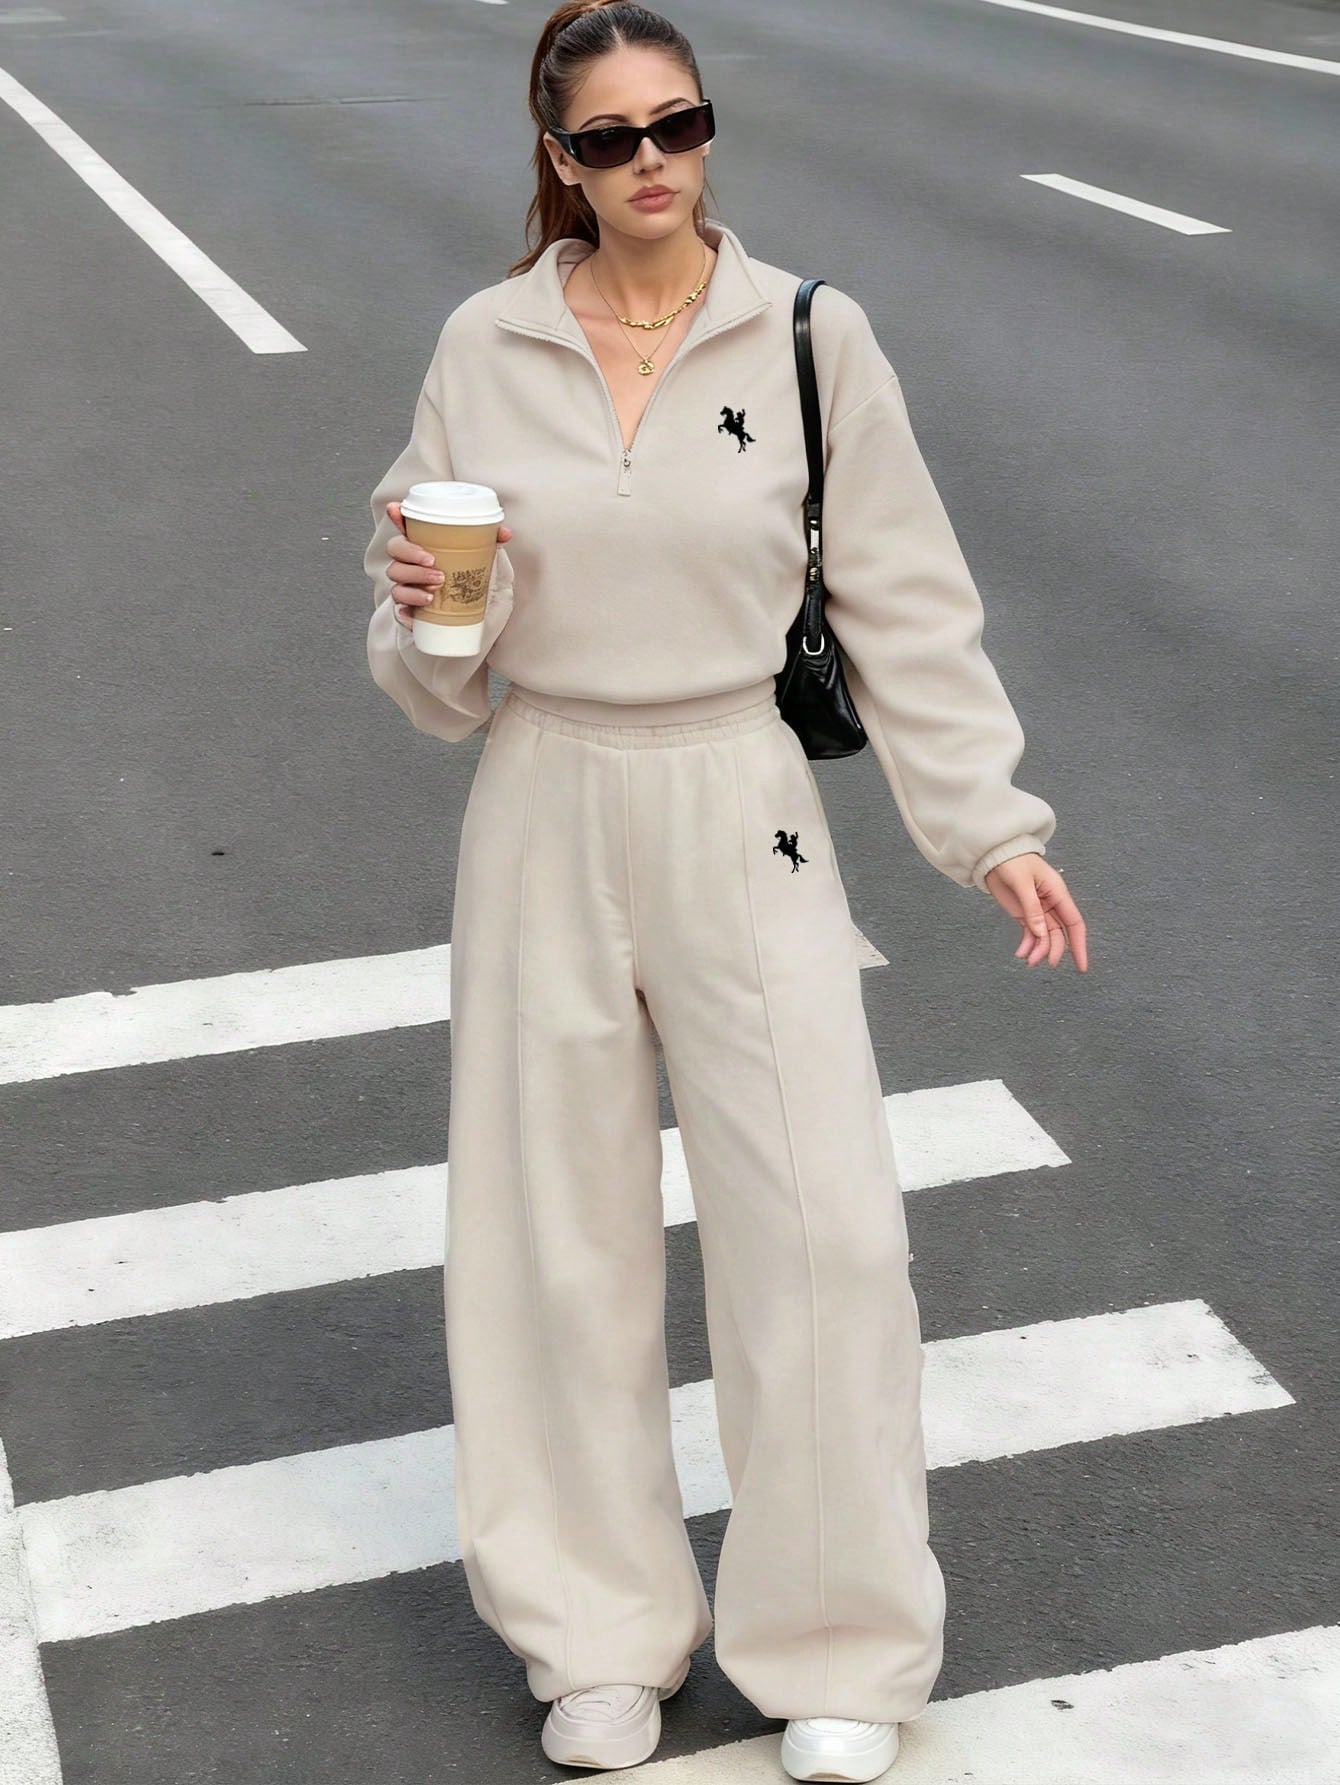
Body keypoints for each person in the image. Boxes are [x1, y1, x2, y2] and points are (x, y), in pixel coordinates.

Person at [363, 3, 1088, 1777]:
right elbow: (431, 666)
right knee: (553, 1240)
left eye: (677, 124)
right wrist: (423, 612)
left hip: (739, 792)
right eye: (610, 138)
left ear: (706, 129)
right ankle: (594, 1633)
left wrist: (990, 825)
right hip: (545, 792)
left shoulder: (811, 336)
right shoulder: (486, 343)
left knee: (823, 1228)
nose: (653, 163)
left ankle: (837, 1641)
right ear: (559, 159)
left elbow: (907, 600)